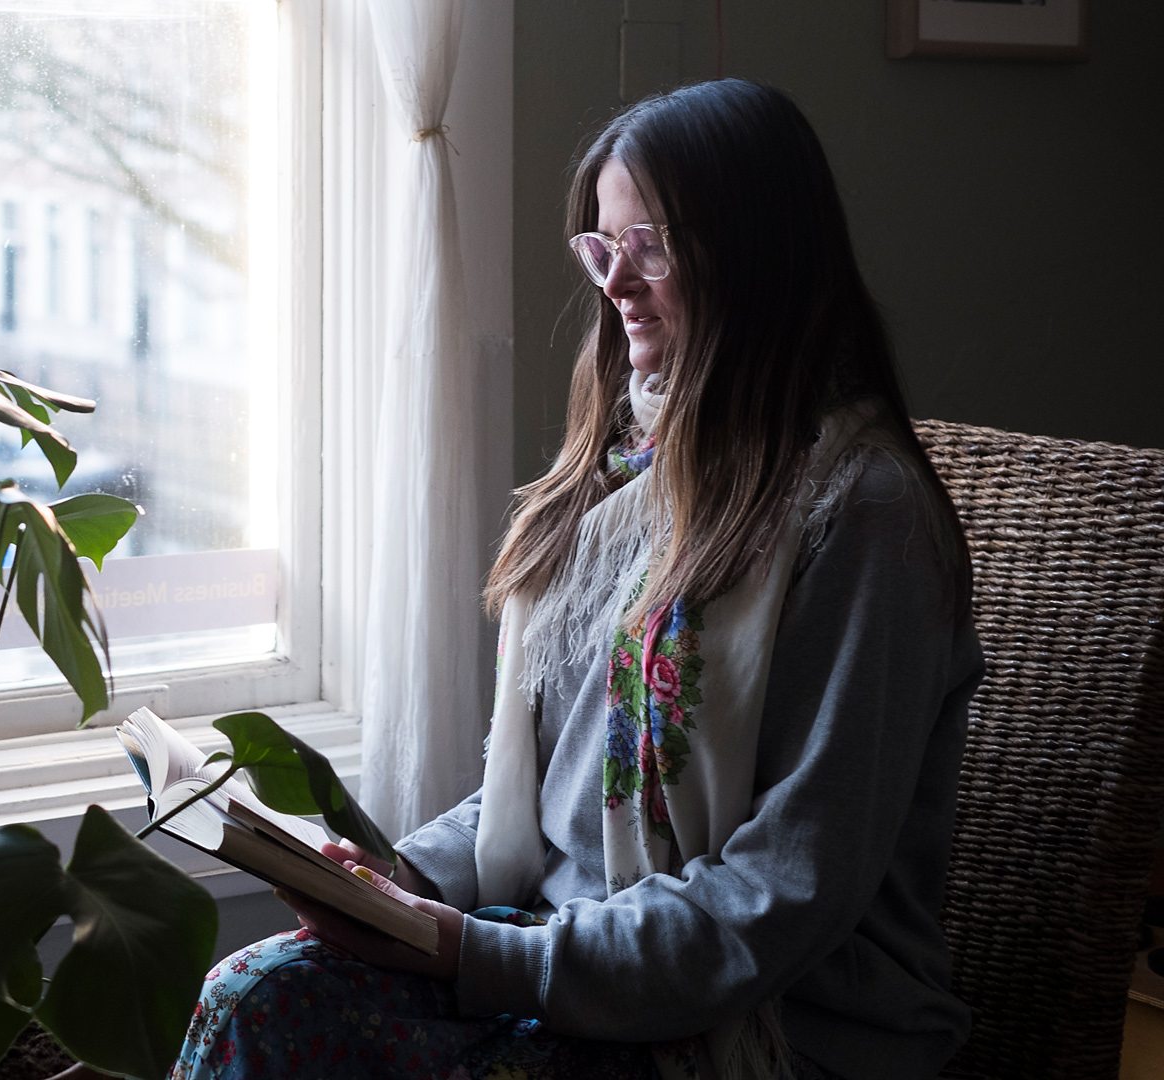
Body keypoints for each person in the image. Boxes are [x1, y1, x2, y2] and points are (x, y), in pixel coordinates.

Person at [165, 78, 983, 1080]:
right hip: (566, 955)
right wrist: (394, 880)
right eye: (604, 248)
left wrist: (483, 953)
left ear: (759, 252)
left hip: (780, 1021)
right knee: (257, 995)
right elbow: (550, 796)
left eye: (652, 245)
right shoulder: (627, 487)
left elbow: (789, 889)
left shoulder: (865, 514)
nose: (616, 283)